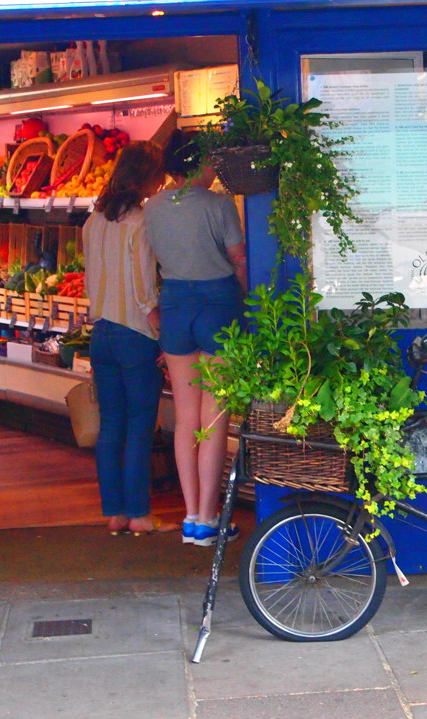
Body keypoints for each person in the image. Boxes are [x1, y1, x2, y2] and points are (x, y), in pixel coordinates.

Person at [144, 131, 246, 547]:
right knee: (214, 415)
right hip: (218, 303)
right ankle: (209, 517)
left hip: (176, 307)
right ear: (201, 164)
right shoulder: (220, 204)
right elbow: (239, 260)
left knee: (185, 418)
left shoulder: (152, 207)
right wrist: (249, 302)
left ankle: (189, 516)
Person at [82, 140, 167, 536]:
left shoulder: (94, 220)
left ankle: (114, 512)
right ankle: (140, 514)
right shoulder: (142, 221)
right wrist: (162, 334)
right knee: (139, 425)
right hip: (135, 334)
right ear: (145, 176)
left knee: (111, 424)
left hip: (101, 334)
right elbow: (145, 289)